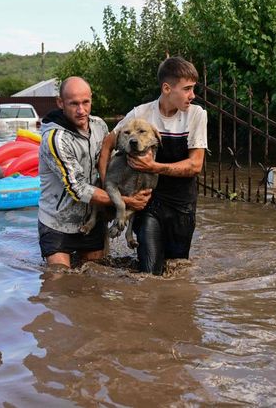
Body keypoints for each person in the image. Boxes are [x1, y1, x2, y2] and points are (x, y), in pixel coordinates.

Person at [99, 57, 207, 275]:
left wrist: (153, 166)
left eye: (193, 89)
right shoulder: (140, 114)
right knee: (149, 273)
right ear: (167, 88)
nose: (192, 95)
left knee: (177, 272)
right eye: (187, 89)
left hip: (182, 205)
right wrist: (107, 190)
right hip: (149, 203)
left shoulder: (197, 114)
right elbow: (107, 145)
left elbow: (195, 166)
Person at [38, 76, 151, 269]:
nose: (81, 110)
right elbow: (78, 189)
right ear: (60, 103)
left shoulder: (99, 125)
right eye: (73, 104)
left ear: (91, 99)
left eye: (85, 102)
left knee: (95, 281)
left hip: (94, 218)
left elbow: (111, 161)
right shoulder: (55, 139)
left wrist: (147, 164)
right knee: (57, 284)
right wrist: (127, 202)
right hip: (58, 224)